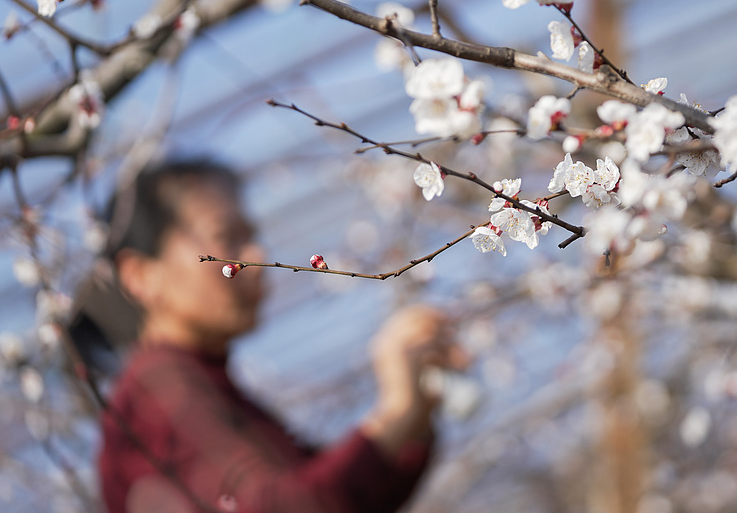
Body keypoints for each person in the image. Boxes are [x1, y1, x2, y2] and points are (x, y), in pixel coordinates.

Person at [96, 159, 466, 513]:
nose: (255, 257)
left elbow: (343, 497)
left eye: (252, 238)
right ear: (141, 275)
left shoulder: (207, 387)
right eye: (228, 238)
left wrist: (413, 417)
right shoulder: (156, 393)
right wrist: (396, 412)